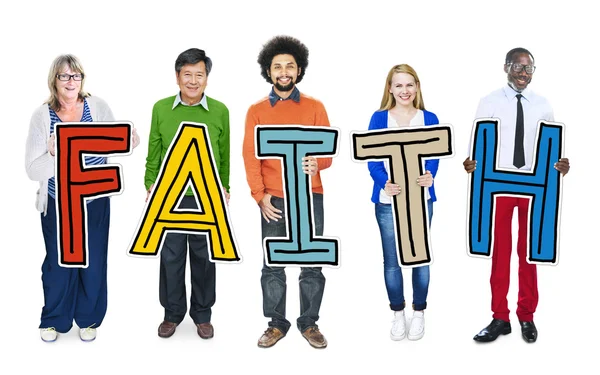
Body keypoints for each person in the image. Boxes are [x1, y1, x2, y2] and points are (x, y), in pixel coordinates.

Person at [25, 54, 139, 343]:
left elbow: (115, 143)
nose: (71, 82)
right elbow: (31, 169)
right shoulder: (42, 116)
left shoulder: (97, 106)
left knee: (93, 261)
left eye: (76, 76)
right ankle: (53, 320)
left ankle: (88, 319)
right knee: (58, 263)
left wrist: (131, 141)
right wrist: (55, 153)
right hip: (58, 204)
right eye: (64, 76)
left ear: (82, 80)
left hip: (94, 200)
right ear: (54, 81)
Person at [465, 47, 570, 344]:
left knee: (529, 252)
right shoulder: (489, 101)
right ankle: (500, 317)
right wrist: (469, 162)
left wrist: (562, 165)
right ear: (506, 67)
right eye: (518, 67)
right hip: (498, 187)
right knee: (500, 252)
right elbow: (477, 144)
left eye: (529, 68)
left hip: (533, 188)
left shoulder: (543, 104)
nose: (523, 74)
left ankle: (527, 315)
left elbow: (552, 147)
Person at [243, 35, 332, 349]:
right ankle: (276, 324)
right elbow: (250, 155)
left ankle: (309, 323)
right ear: (268, 71)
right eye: (277, 66)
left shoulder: (315, 107)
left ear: (299, 70)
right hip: (274, 199)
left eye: (290, 66)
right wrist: (259, 195)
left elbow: (327, 154)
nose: (283, 71)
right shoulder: (256, 110)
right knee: (272, 264)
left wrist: (316, 165)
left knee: (311, 262)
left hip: (310, 197)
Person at [145, 48, 230, 340]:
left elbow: (224, 154)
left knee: (205, 257)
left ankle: (203, 315)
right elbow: (153, 152)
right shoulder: (160, 108)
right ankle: (171, 314)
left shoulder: (220, 111)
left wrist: (225, 188)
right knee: (171, 256)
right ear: (177, 77)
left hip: (206, 196)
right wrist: (149, 185)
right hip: (171, 195)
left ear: (206, 78)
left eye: (199, 75)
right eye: (187, 75)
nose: (193, 81)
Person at [366, 64, 440, 341]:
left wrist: (430, 174)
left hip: (421, 200)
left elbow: (435, 153)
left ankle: (419, 312)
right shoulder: (379, 118)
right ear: (390, 89)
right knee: (392, 260)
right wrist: (383, 181)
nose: (404, 90)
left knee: (421, 257)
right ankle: (398, 313)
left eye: (409, 85)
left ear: (417, 87)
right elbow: (371, 157)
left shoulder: (429, 117)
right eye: (398, 85)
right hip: (387, 200)